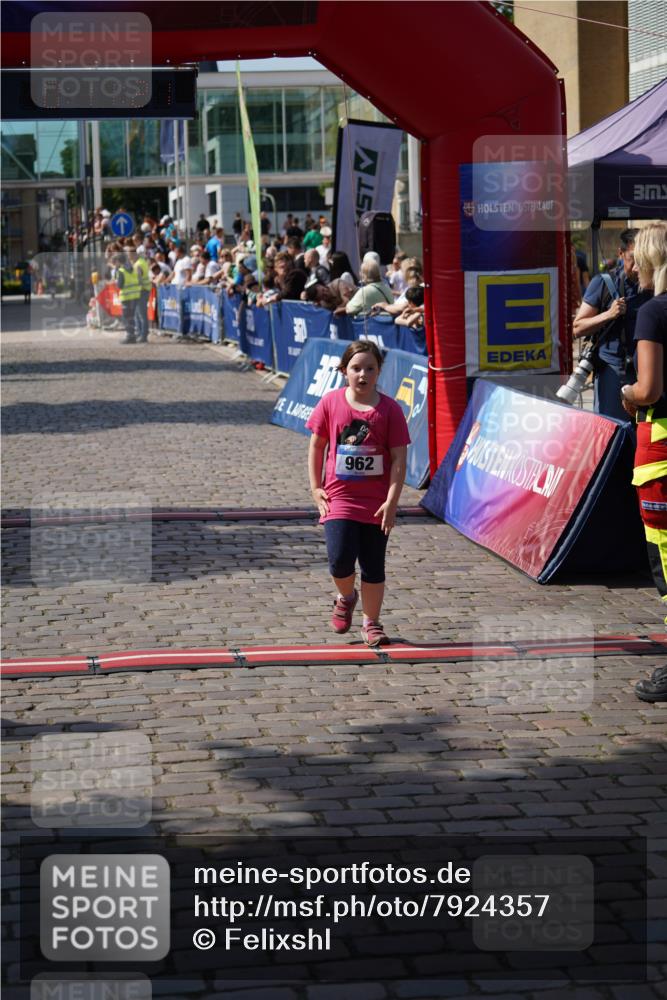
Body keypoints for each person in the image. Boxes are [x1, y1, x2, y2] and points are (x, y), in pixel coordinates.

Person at [306, 340, 410, 647]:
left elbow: (398, 459)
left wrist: (391, 502)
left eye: (370, 368)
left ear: (379, 372)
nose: (362, 374)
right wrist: (315, 488)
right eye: (356, 368)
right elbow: (317, 445)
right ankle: (346, 596)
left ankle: (371, 622)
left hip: (376, 503)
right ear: (343, 371)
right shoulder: (330, 402)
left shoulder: (390, 409)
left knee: (373, 565)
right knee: (339, 561)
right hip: (339, 499)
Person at [619, 222, 667, 702]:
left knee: (666, 561)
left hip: (661, 453)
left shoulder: (653, 312)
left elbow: (648, 389)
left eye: (635, 257)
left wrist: (627, 393)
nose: (630, 266)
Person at [573, 229, 652, 420]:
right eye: (633, 257)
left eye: (643, 257)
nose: (637, 265)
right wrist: (608, 315)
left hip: (648, 372)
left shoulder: (653, 284)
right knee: (611, 431)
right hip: (613, 371)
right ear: (621, 253)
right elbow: (577, 328)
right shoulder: (604, 283)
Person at [112, 252, 141, 344]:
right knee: (132, 316)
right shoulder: (133, 268)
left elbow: (119, 285)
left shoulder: (121, 271)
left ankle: (130, 336)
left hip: (126, 297)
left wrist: (116, 281)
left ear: (118, 261)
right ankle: (133, 335)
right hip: (135, 295)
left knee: (126, 317)